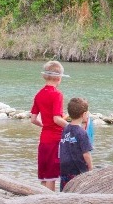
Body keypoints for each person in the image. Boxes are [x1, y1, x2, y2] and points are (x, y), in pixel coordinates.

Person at [29, 60, 69, 191]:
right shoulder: (57, 94)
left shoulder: (39, 94)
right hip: (55, 139)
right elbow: (57, 119)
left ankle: (42, 196)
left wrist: (45, 126)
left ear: (44, 76)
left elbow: (33, 119)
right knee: (52, 174)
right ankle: (50, 200)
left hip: (44, 138)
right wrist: (71, 127)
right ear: (59, 78)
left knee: (44, 173)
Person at [59, 97, 93, 191]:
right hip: (77, 169)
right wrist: (90, 169)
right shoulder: (82, 133)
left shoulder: (65, 130)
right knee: (77, 192)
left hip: (64, 167)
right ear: (84, 114)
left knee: (65, 190)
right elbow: (86, 154)